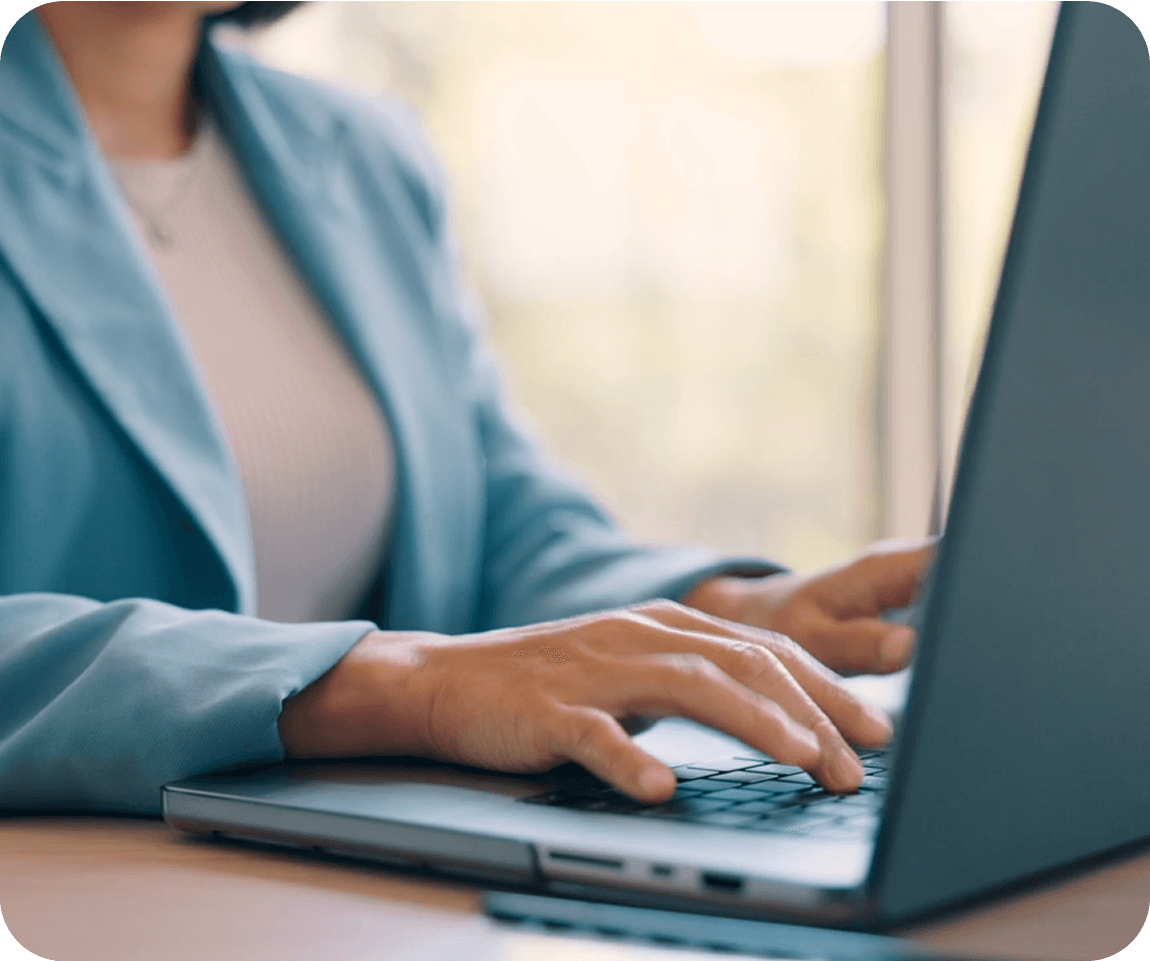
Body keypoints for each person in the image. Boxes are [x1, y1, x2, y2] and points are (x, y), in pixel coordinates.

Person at [0, 0, 931, 816]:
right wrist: (404, 688)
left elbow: (487, 521)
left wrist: (728, 614)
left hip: (328, 897)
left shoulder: (361, 155)